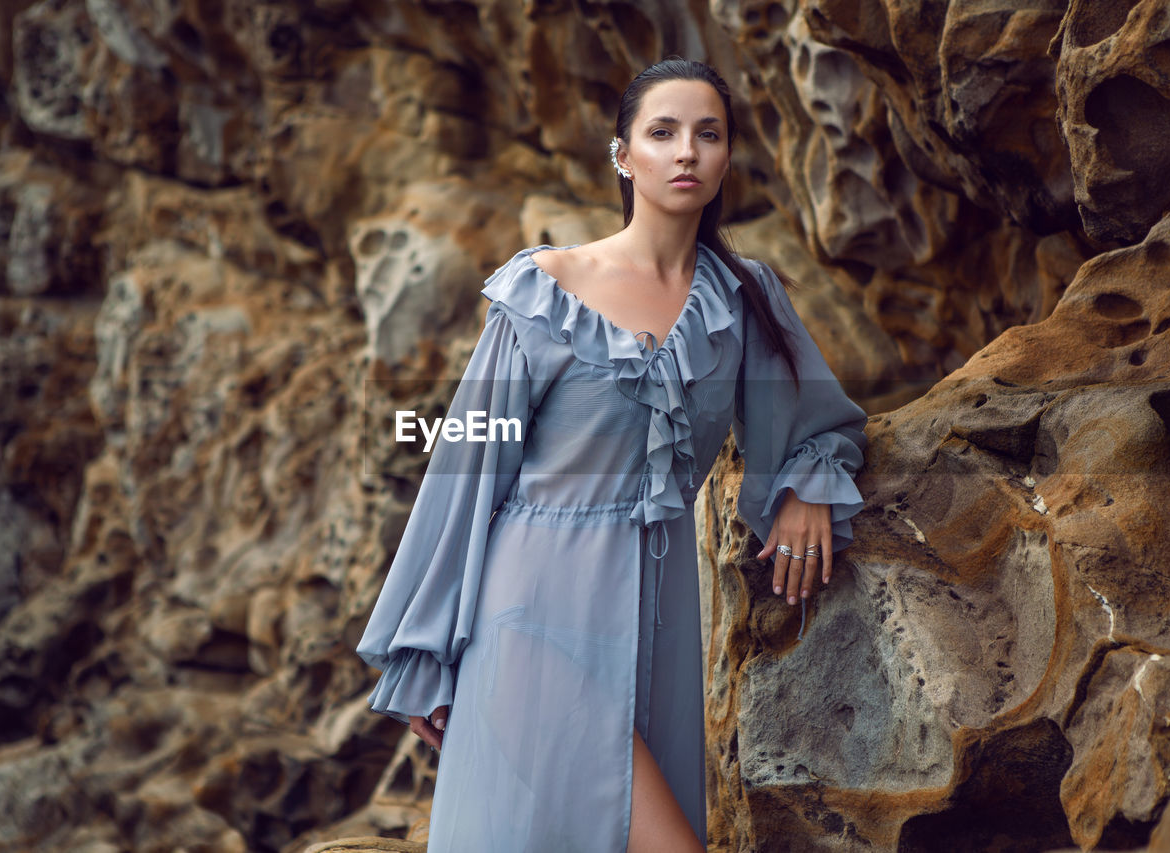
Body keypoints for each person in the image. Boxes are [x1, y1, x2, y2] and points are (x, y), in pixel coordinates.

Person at [354, 57, 867, 853]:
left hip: (661, 615)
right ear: (623, 155)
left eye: (708, 134)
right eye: (662, 133)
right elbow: (463, 461)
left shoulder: (746, 296)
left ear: (729, 158)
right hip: (530, 611)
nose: (686, 152)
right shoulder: (547, 286)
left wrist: (805, 487)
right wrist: (428, 643)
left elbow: (812, 423)